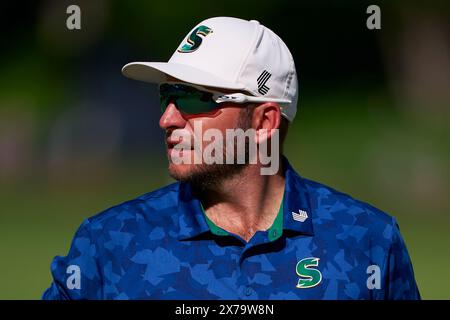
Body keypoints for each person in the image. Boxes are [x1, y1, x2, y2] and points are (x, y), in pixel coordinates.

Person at [42, 16, 420, 300]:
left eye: (193, 98)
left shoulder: (368, 241)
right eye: (167, 96)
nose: (168, 118)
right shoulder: (109, 243)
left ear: (264, 121)